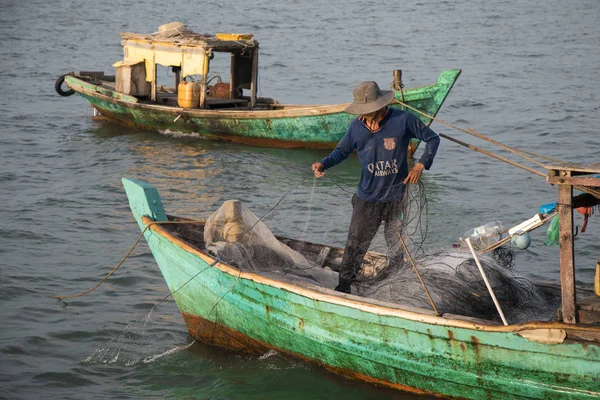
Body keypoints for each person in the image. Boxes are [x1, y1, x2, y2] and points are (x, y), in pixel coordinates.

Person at [311, 81, 440, 294]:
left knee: (396, 244)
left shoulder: (403, 120)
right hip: (367, 199)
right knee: (355, 245)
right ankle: (344, 286)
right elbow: (341, 152)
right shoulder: (356, 127)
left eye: (368, 111)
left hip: (396, 197)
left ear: (380, 106)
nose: (364, 116)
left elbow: (432, 139)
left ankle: (398, 286)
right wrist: (324, 163)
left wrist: (420, 165)